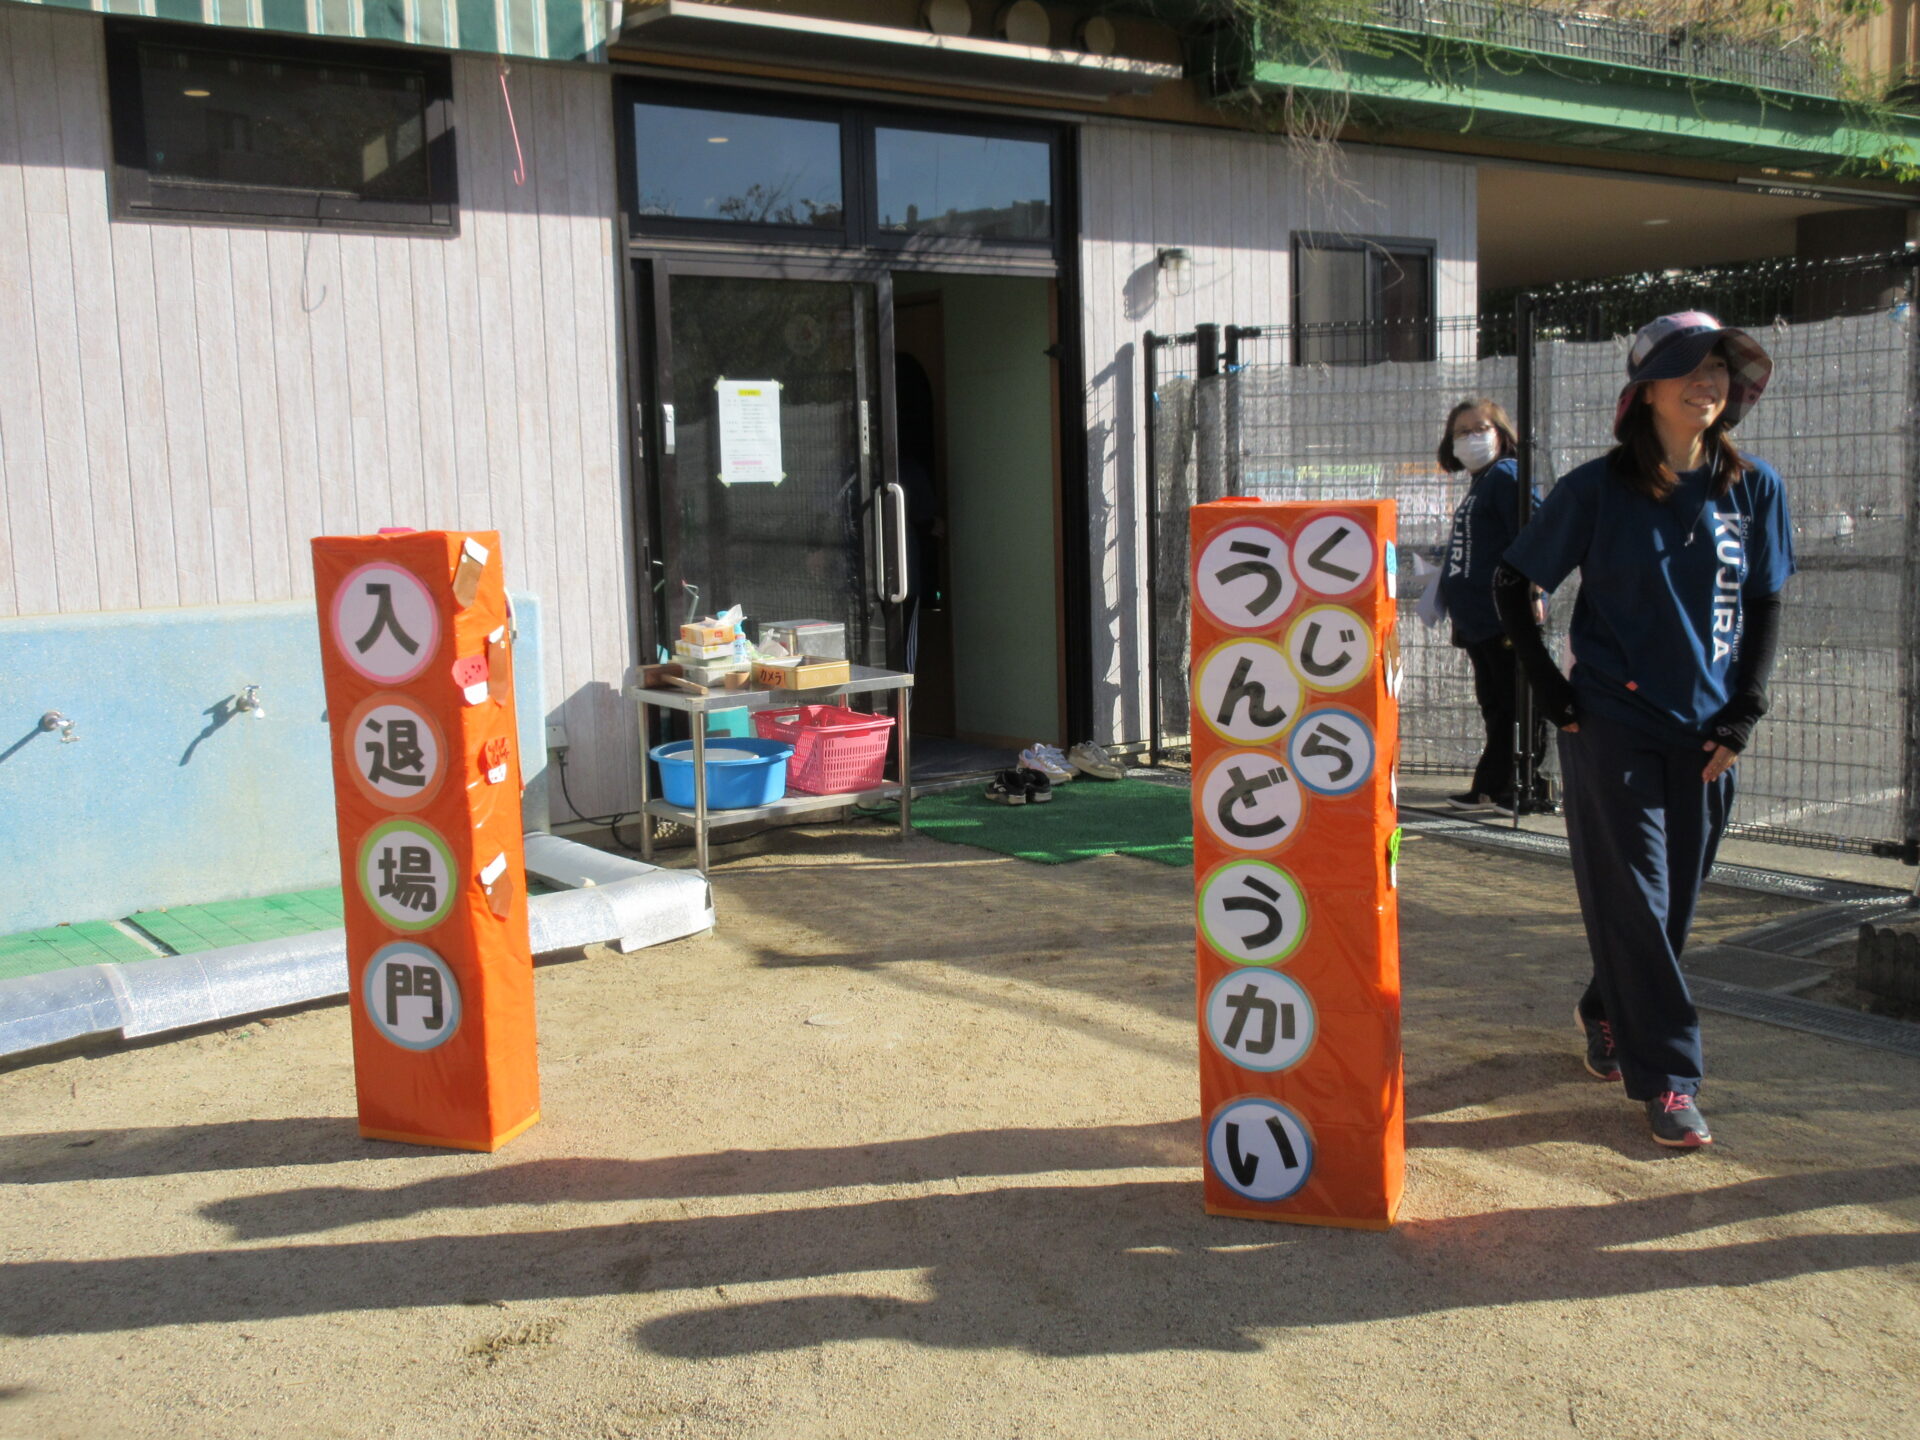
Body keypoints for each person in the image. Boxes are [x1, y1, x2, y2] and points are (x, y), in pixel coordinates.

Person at [1494, 312, 1792, 1149]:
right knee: (1638, 898)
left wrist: (1744, 713)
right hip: (1612, 727)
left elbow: (1765, 602)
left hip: (1709, 735)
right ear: (1647, 391)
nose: (1708, 381)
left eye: (1720, 368)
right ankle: (1668, 1080)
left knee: (1669, 911)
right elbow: (1513, 582)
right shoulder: (1596, 489)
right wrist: (1555, 697)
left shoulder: (1754, 488)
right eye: (1689, 368)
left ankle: (1605, 1006)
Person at [1434, 397, 1549, 813]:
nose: (1470, 438)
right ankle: (1491, 785)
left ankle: (1519, 785)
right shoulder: (1480, 483)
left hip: (1503, 616)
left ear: (1501, 433)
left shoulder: (1505, 475)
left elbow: (1538, 531)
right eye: (1461, 432)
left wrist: (1535, 590)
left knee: (1516, 704)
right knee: (1496, 704)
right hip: (1478, 619)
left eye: (1479, 429)